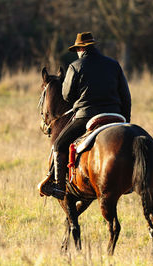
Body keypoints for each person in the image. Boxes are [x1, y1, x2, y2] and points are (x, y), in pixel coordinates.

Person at [44, 32, 132, 200]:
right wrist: (126, 121)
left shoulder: (75, 66)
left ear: (80, 49)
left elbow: (66, 96)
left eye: (77, 50)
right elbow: (126, 97)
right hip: (116, 115)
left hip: (86, 116)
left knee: (58, 144)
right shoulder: (114, 65)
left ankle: (59, 186)